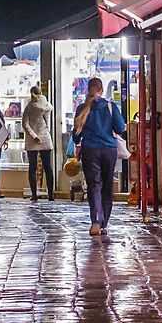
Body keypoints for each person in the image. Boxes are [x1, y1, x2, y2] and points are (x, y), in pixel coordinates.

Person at [71, 76, 126, 237]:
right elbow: (120, 127)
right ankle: (104, 224)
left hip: (90, 151)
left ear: (88, 89)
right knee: (107, 187)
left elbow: (75, 135)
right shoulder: (110, 106)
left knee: (94, 186)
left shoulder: (82, 108)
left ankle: (95, 221)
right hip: (109, 150)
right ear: (102, 90)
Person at [21, 83, 55, 199]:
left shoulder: (29, 107)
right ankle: (51, 195)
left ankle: (34, 195)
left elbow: (25, 124)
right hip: (45, 137)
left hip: (32, 140)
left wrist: (34, 135)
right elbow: (48, 123)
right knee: (48, 167)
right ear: (41, 94)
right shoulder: (47, 105)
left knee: (32, 167)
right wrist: (44, 133)